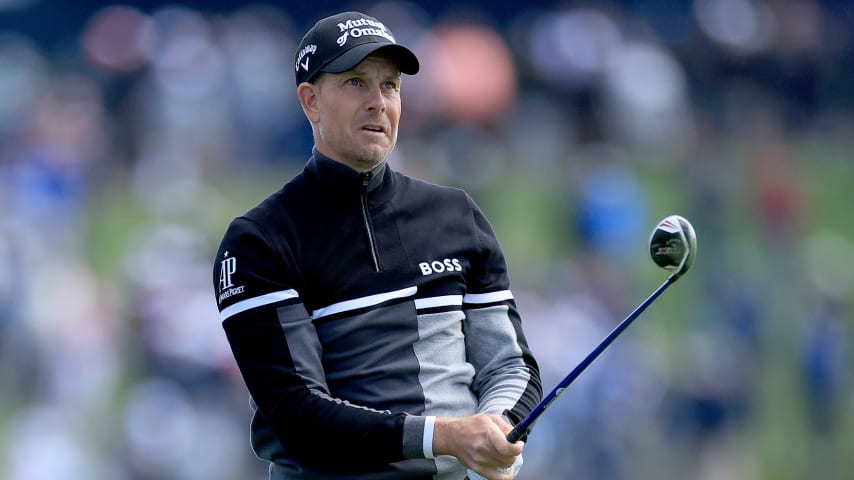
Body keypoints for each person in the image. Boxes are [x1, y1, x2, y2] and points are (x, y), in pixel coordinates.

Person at [212, 11, 542, 480]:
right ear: (311, 101)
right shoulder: (259, 241)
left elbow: (510, 366)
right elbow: (297, 414)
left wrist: (497, 429)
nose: (377, 102)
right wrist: (447, 437)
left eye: (390, 86)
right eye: (355, 83)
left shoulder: (456, 217)